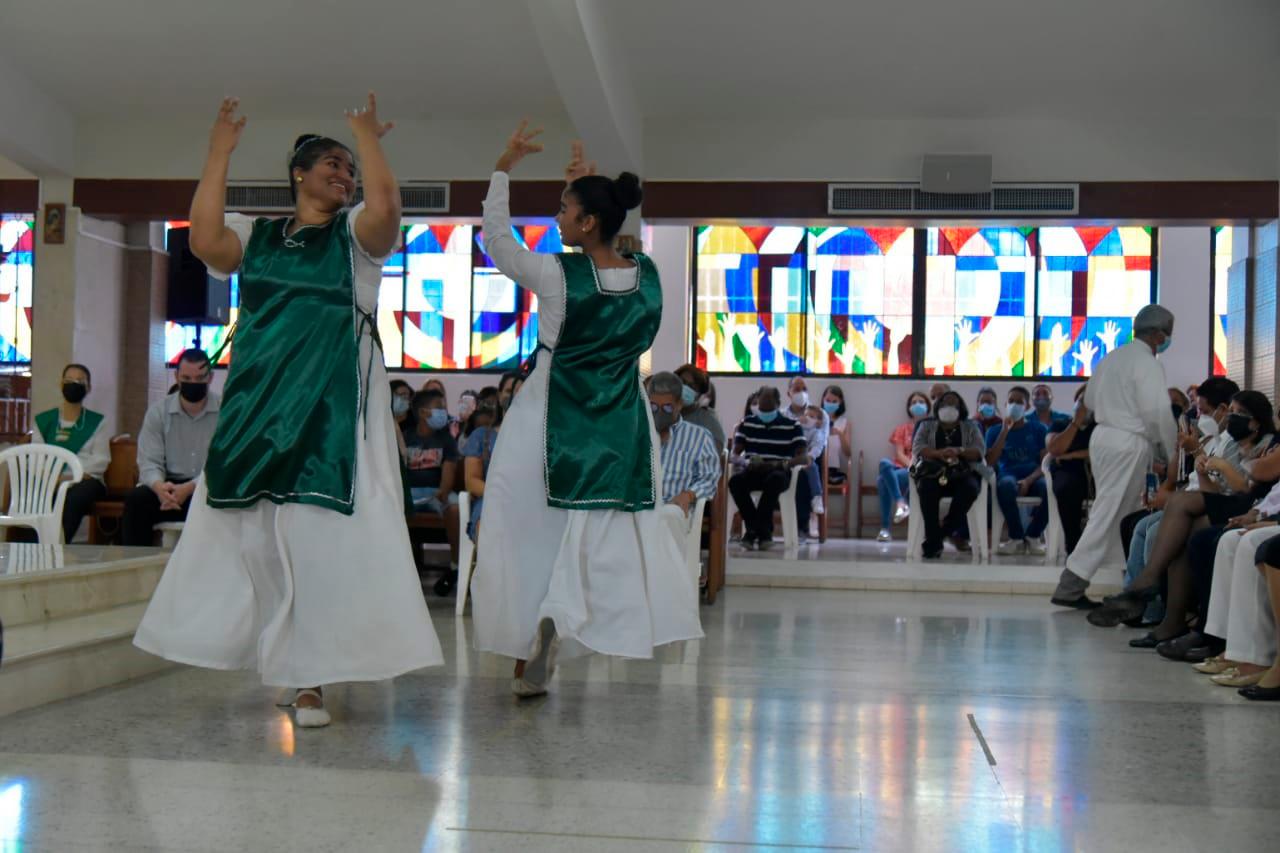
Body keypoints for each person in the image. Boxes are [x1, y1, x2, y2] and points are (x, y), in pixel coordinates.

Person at [133, 96, 442, 728]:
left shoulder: (353, 239)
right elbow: (205, 242)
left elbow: (385, 212)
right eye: (333, 163)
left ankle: (311, 682)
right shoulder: (258, 236)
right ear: (297, 174)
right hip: (258, 404)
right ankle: (286, 655)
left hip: (332, 412)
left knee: (319, 540)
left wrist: (366, 138)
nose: (345, 174)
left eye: (350, 168)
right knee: (257, 541)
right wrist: (219, 151)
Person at [469, 128, 701, 699]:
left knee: (523, 521)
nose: (556, 219)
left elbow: (497, 242)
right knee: (600, 526)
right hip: (621, 415)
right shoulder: (647, 274)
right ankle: (563, 617)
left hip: (551, 409)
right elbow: (607, 254)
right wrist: (582, 184)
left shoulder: (555, 274)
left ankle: (535, 629)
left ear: (587, 221)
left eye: (565, 209)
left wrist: (502, 167)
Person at [1092, 389, 1278, 629]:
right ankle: (1170, 620)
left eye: (1238, 413)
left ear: (1256, 422)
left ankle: (1149, 588)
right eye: (1231, 412)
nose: (1230, 418)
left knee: (1176, 512)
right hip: (1227, 502)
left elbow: (1246, 485)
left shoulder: (1269, 444)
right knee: (1175, 526)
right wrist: (1200, 466)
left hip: (1247, 503)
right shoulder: (1230, 443)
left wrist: (1216, 463)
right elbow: (1207, 490)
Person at [1050, 304, 1177, 609]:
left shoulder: (1113, 357)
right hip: (1127, 441)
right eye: (1167, 334)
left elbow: (1089, 400)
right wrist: (1171, 450)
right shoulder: (1147, 364)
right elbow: (1156, 412)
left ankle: (1132, 585)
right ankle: (1071, 584)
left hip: (1103, 437)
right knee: (1109, 510)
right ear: (1159, 334)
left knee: (1128, 511)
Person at [122, 349, 220, 546]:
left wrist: (191, 487)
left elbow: (223, 464)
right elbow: (149, 461)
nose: (193, 383)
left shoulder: (225, 411)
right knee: (136, 500)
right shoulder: (158, 412)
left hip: (206, 488)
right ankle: (135, 566)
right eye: (186, 377)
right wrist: (159, 488)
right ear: (176, 377)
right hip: (167, 488)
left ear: (210, 378)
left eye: (199, 378)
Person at [649, 372, 721, 577]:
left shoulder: (698, 437)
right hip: (641, 508)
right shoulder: (637, 432)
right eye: (654, 407)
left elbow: (710, 477)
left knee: (669, 515)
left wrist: (688, 495)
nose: (659, 413)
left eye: (667, 408)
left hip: (675, 509)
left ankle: (669, 584)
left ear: (680, 404)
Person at [29, 364, 111, 543]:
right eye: (69, 380)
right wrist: (52, 478)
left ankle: (58, 544)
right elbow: (37, 457)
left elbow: (100, 460)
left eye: (79, 381)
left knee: (74, 496)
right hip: (50, 479)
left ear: (88, 388)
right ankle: (32, 547)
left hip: (86, 480)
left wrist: (68, 478)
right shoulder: (45, 421)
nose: (73, 384)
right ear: (61, 384)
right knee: (36, 495)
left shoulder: (97, 422)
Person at [729, 386, 808, 551]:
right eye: (761, 407)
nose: (764, 411)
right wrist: (745, 463)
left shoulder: (792, 426)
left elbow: (803, 456)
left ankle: (752, 532)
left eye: (768, 407)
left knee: (775, 480)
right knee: (736, 482)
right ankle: (762, 532)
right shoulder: (747, 424)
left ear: (778, 404)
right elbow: (734, 455)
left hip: (778, 471)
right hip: (753, 470)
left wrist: (782, 464)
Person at [911, 390, 986, 560]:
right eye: (945, 403)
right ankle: (935, 538)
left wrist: (959, 451)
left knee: (971, 489)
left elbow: (979, 451)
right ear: (938, 406)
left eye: (953, 404)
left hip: (962, 473)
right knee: (926, 488)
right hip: (933, 472)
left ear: (960, 408)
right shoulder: (926, 425)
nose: (949, 407)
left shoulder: (971, 426)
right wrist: (939, 453)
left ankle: (938, 536)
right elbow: (918, 448)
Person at [404, 387, 462, 592]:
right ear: (423, 413)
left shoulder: (446, 440)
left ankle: (455, 566)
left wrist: (443, 490)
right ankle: (401, 569)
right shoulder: (405, 437)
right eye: (439, 408)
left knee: (455, 508)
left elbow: (449, 472)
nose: (444, 412)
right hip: (409, 493)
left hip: (436, 493)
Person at [985, 386, 1049, 555]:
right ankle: (1016, 537)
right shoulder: (994, 431)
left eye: (1019, 402)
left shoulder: (1039, 429)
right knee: (1005, 487)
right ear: (1005, 404)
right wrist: (1005, 431)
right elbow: (990, 461)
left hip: (1034, 475)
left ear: (1027, 407)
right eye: (1011, 401)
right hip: (1008, 475)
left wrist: (1028, 480)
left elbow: (1045, 462)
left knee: (1049, 488)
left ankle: (1033, 536)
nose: (1014, 405)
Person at [1046, 384, 1095, 555]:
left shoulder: (1100, 427)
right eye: (1081, 401)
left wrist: (1072, 455)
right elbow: (1054, 448)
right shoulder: (1060, 424)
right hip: (1067, 473)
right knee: (1066, 488)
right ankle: (1073, 547)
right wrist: (1076, 423)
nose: (1084, 406)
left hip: (1094, 474)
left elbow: (1099, 450)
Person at [877, 390, 930, 542]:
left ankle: (885, 529)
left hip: (920, 471)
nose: (917, 405)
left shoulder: (930, 428)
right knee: (884, 463)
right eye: (913, 403)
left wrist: (914, 468)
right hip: (901, 467)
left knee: (882, 481)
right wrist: (910, 466)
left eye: (921, 402)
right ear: (909, 408)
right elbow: (899, 453)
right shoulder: (902, 429)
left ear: (928, 406)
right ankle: (901, 502)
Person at [786, 376, 828, 534]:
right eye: (796, 389)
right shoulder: (784, 414)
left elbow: (821, 441)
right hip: (789, 456)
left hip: (811, 457)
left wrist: (809, 457)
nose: (801, 393)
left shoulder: (820, 414)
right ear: (788, 393)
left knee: (805, 472)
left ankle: (801, 526)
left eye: (804, 389)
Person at [461, 396, 501, 543]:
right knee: (486, 526)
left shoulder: (541, 435)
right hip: (490, 498)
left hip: (529, 500)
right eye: (509, 390)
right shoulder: (482, 436)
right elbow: (471, 482)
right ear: (500, 395)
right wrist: (503, 495)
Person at [675, 363, 727, 450]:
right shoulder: (664, 412)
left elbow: (715, 451)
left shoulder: (707, 420)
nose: (685, 387)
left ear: (698, 395)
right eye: (683, 382)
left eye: (691, 386)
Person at [820, 385, 852, 486]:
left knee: (833, 440)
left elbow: (848, 452)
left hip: (834, 467)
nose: (830, 404)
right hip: (817, 463)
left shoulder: (844, 422)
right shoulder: (817, 418)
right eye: (828, 400)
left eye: (834, 402)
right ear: (823, 400)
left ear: (840, 403)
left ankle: (830, 474)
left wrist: (840, 434)